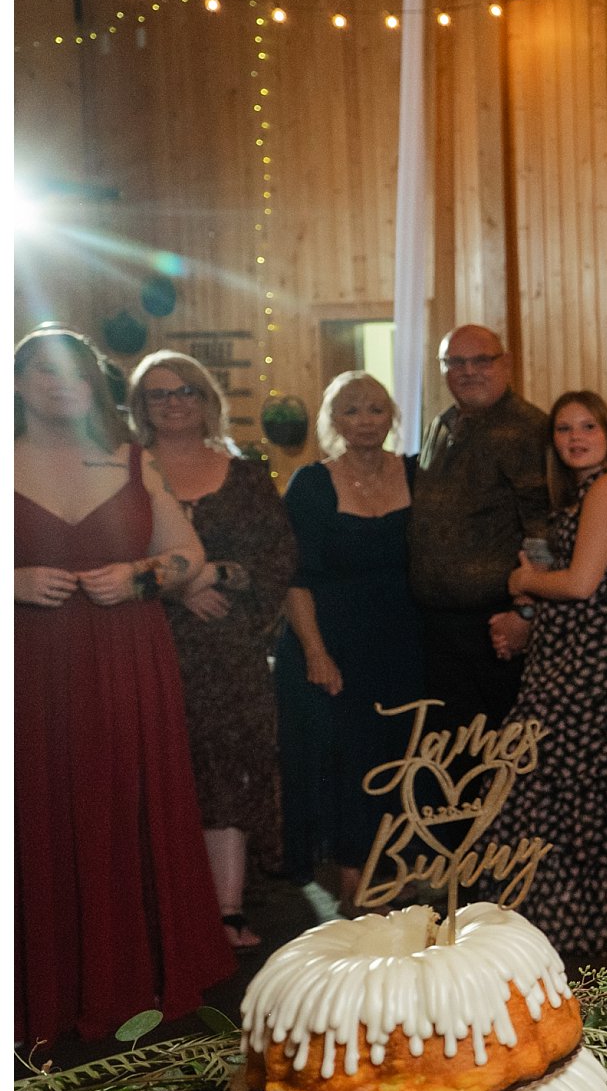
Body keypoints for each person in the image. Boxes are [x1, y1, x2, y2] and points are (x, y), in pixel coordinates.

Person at [14, 328, 234, 1041]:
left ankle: (128, 980)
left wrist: (140, 576)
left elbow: (191, 557)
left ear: (96, 386)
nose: (60, 383)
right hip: (28, 664)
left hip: (124, 662)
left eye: (76, 372)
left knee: (121, 801)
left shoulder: (132, 461)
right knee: (34, 809)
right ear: (17, 383)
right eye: (43, 371)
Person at [130, 350, 298, 950]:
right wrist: (180, 591)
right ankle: (162, 906)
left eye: (186, 391)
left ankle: (226, 909)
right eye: (159, 394)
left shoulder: (246, 476)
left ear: (206, 400)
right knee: (160, 765)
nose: (173, 403)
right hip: (146, 640)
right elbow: (109, 557)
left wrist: (218, 575)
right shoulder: (125, 472)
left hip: (227, 649)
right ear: (141, 407)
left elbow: (276, 557)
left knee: (230, 765)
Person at [489, 393, 607, 959]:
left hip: (597, 666)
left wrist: (524, 582)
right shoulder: (588, 492)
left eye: (587, 426)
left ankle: (576, 927)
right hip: (580, 657)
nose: (574, 437)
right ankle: (568, 924)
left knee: (567, 793)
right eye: (564, 429)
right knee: (563, 794)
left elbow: (582, 584)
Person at [274, 371, 426, 910]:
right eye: (351, 411)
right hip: (332, 642)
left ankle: (393, 867)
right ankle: (352, 878)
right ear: (332, 422)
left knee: (399, 755)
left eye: (376, 409)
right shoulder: (312, 484)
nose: (365, 421)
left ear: (393, 417)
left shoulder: (416, 473)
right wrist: (316, 653)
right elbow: (294, 577)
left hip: (405, 641)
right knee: (347, 760)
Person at [410, 324, 550, 730]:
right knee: (452, 761)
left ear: (504, 363)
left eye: (481, 360)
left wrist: (526, 612)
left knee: (500, 763)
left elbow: (544, 528)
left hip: (497, 628)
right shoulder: (442, 423)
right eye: (456, 362)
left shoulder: (528, 428)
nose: (468, 371)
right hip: (440, 625)